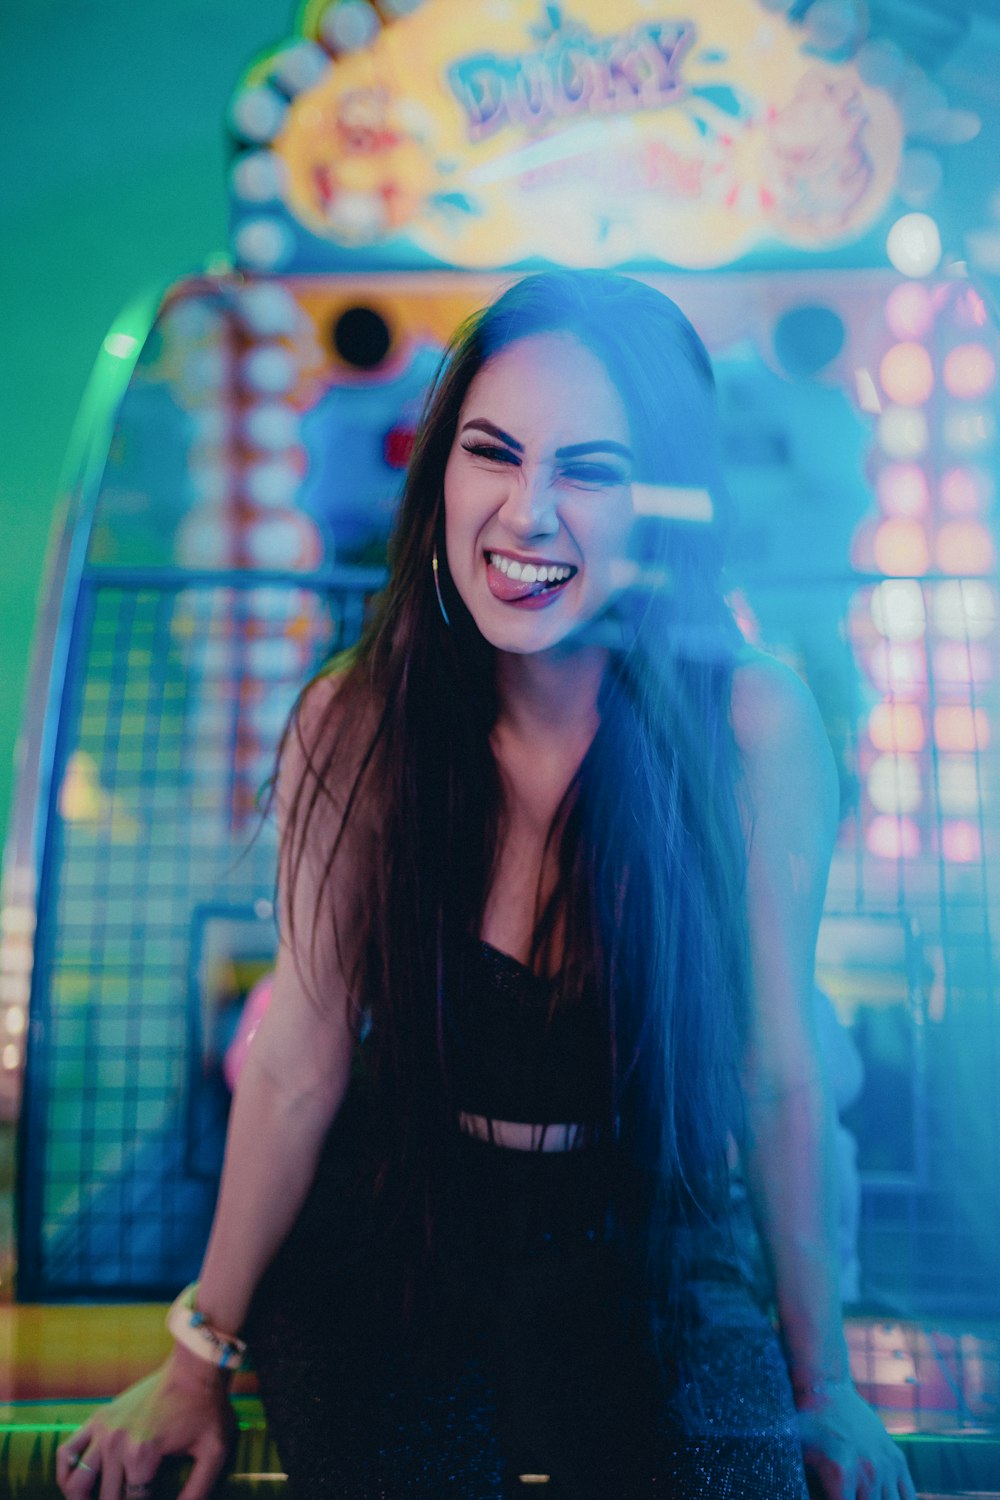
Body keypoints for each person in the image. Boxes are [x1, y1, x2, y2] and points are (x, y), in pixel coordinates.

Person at [56, 270, 915, 1499]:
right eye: (491, 454)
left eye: (589, 472)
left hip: (650, 1241)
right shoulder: (355, 721)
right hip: (388, 1240)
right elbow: (299, 1056)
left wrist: (823, 1385)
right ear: (440, 476)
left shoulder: (750, 726)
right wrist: (197, 1360)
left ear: (665, 502)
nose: (525, 514)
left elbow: (777, 1069)